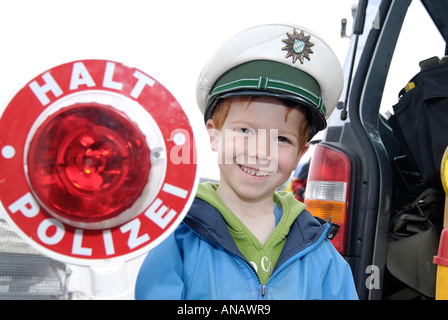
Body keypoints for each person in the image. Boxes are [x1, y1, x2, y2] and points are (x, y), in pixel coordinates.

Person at [135, 24, 358, 300]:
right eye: (244, 131)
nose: (260, 152)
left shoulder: (321, 255)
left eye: (281, 139)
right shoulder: (177, 238)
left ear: (300, 154)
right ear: (213, 136)